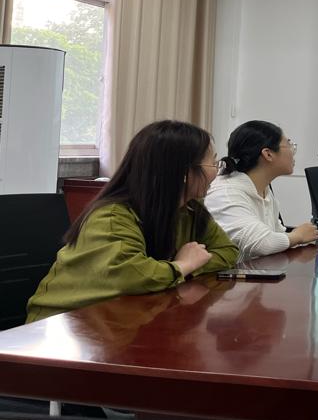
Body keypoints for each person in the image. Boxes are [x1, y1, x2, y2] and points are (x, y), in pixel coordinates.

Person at [27, 120, 238, 323]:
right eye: (213, 163)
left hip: (127, 318)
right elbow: (131, 275)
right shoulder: (112, 216)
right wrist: (183, 264)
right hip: (66, 325)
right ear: (184, 172)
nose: (216, 171)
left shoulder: (190, 210)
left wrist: (189, 266)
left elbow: (228, 251)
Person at [205, 121, 318, 262]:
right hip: (225, 275)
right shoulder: (226, 193)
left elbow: (276, 235)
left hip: (254, 272)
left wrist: (293, 237)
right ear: (268, 154)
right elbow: (262, 244)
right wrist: (298, 236)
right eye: (289, 145)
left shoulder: (264, 189)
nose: (293, 152)